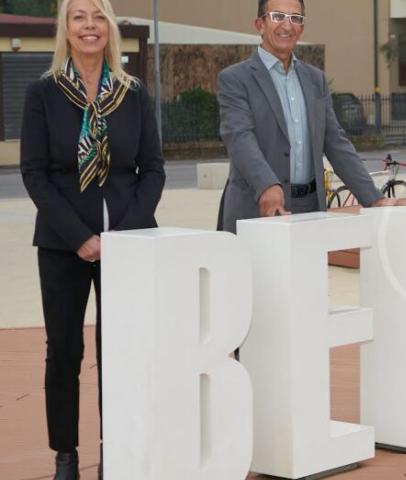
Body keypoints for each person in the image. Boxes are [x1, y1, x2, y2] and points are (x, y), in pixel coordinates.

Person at [19, 0, 166, 478]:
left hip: (127, 244)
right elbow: (34, 174)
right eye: (79, 17)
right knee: (64, 349)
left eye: (98, 16)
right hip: (63, 244)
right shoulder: (42, 93)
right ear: (66, 27)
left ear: (109, 28)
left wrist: (122, 236)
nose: (89, 26)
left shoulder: (133, 92)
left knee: (120, 349)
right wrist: (81, 236)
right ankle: (66, 454)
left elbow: (154, 171)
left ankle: (116, 448)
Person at [217, 0, 393, 232]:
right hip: (256, 209)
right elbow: (239, 138)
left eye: (295, 18)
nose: (287, 26)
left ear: (301, 27)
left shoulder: (315, 80)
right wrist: (266, 185)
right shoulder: (235, 79)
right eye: (278, 16)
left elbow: (336, 143)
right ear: (260, 24)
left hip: (311, 210)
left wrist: (373, 198)